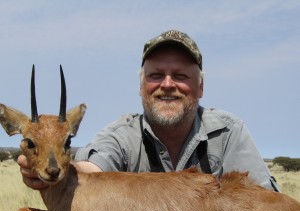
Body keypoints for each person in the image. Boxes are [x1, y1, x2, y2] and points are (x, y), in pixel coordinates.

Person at [18, 29, 279, 191]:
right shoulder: (121, 136)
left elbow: (264, 202)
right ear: (141, 87)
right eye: (156, 75)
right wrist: (53, 169)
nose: (167, 85)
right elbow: (92, 170)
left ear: (200, 87)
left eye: (180, 76)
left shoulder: (228, 132)